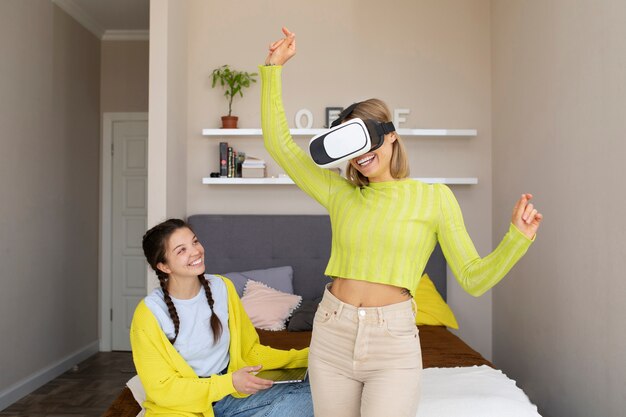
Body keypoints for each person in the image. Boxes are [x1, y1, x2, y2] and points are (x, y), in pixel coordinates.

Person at [261, 27, 543, 417]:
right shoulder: (341, 193)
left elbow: (474, 278)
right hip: (332, 331)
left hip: (392, 341)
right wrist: (273, 69)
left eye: (364, 141)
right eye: (349, 148)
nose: (359, 156)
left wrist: (516, 239)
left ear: (389, 135)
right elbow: (279, 145)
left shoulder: (434, 198)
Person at [130, 218, 313, 417]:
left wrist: (308, 357)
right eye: (181, 250)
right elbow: (163, 390)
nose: (195, 251)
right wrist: (228, 382)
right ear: (164, 266)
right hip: (185, 407)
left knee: (319, 390)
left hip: (232, 394)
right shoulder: (149, 313)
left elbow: (249, 350)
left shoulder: (222, 287)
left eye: (195, 241)